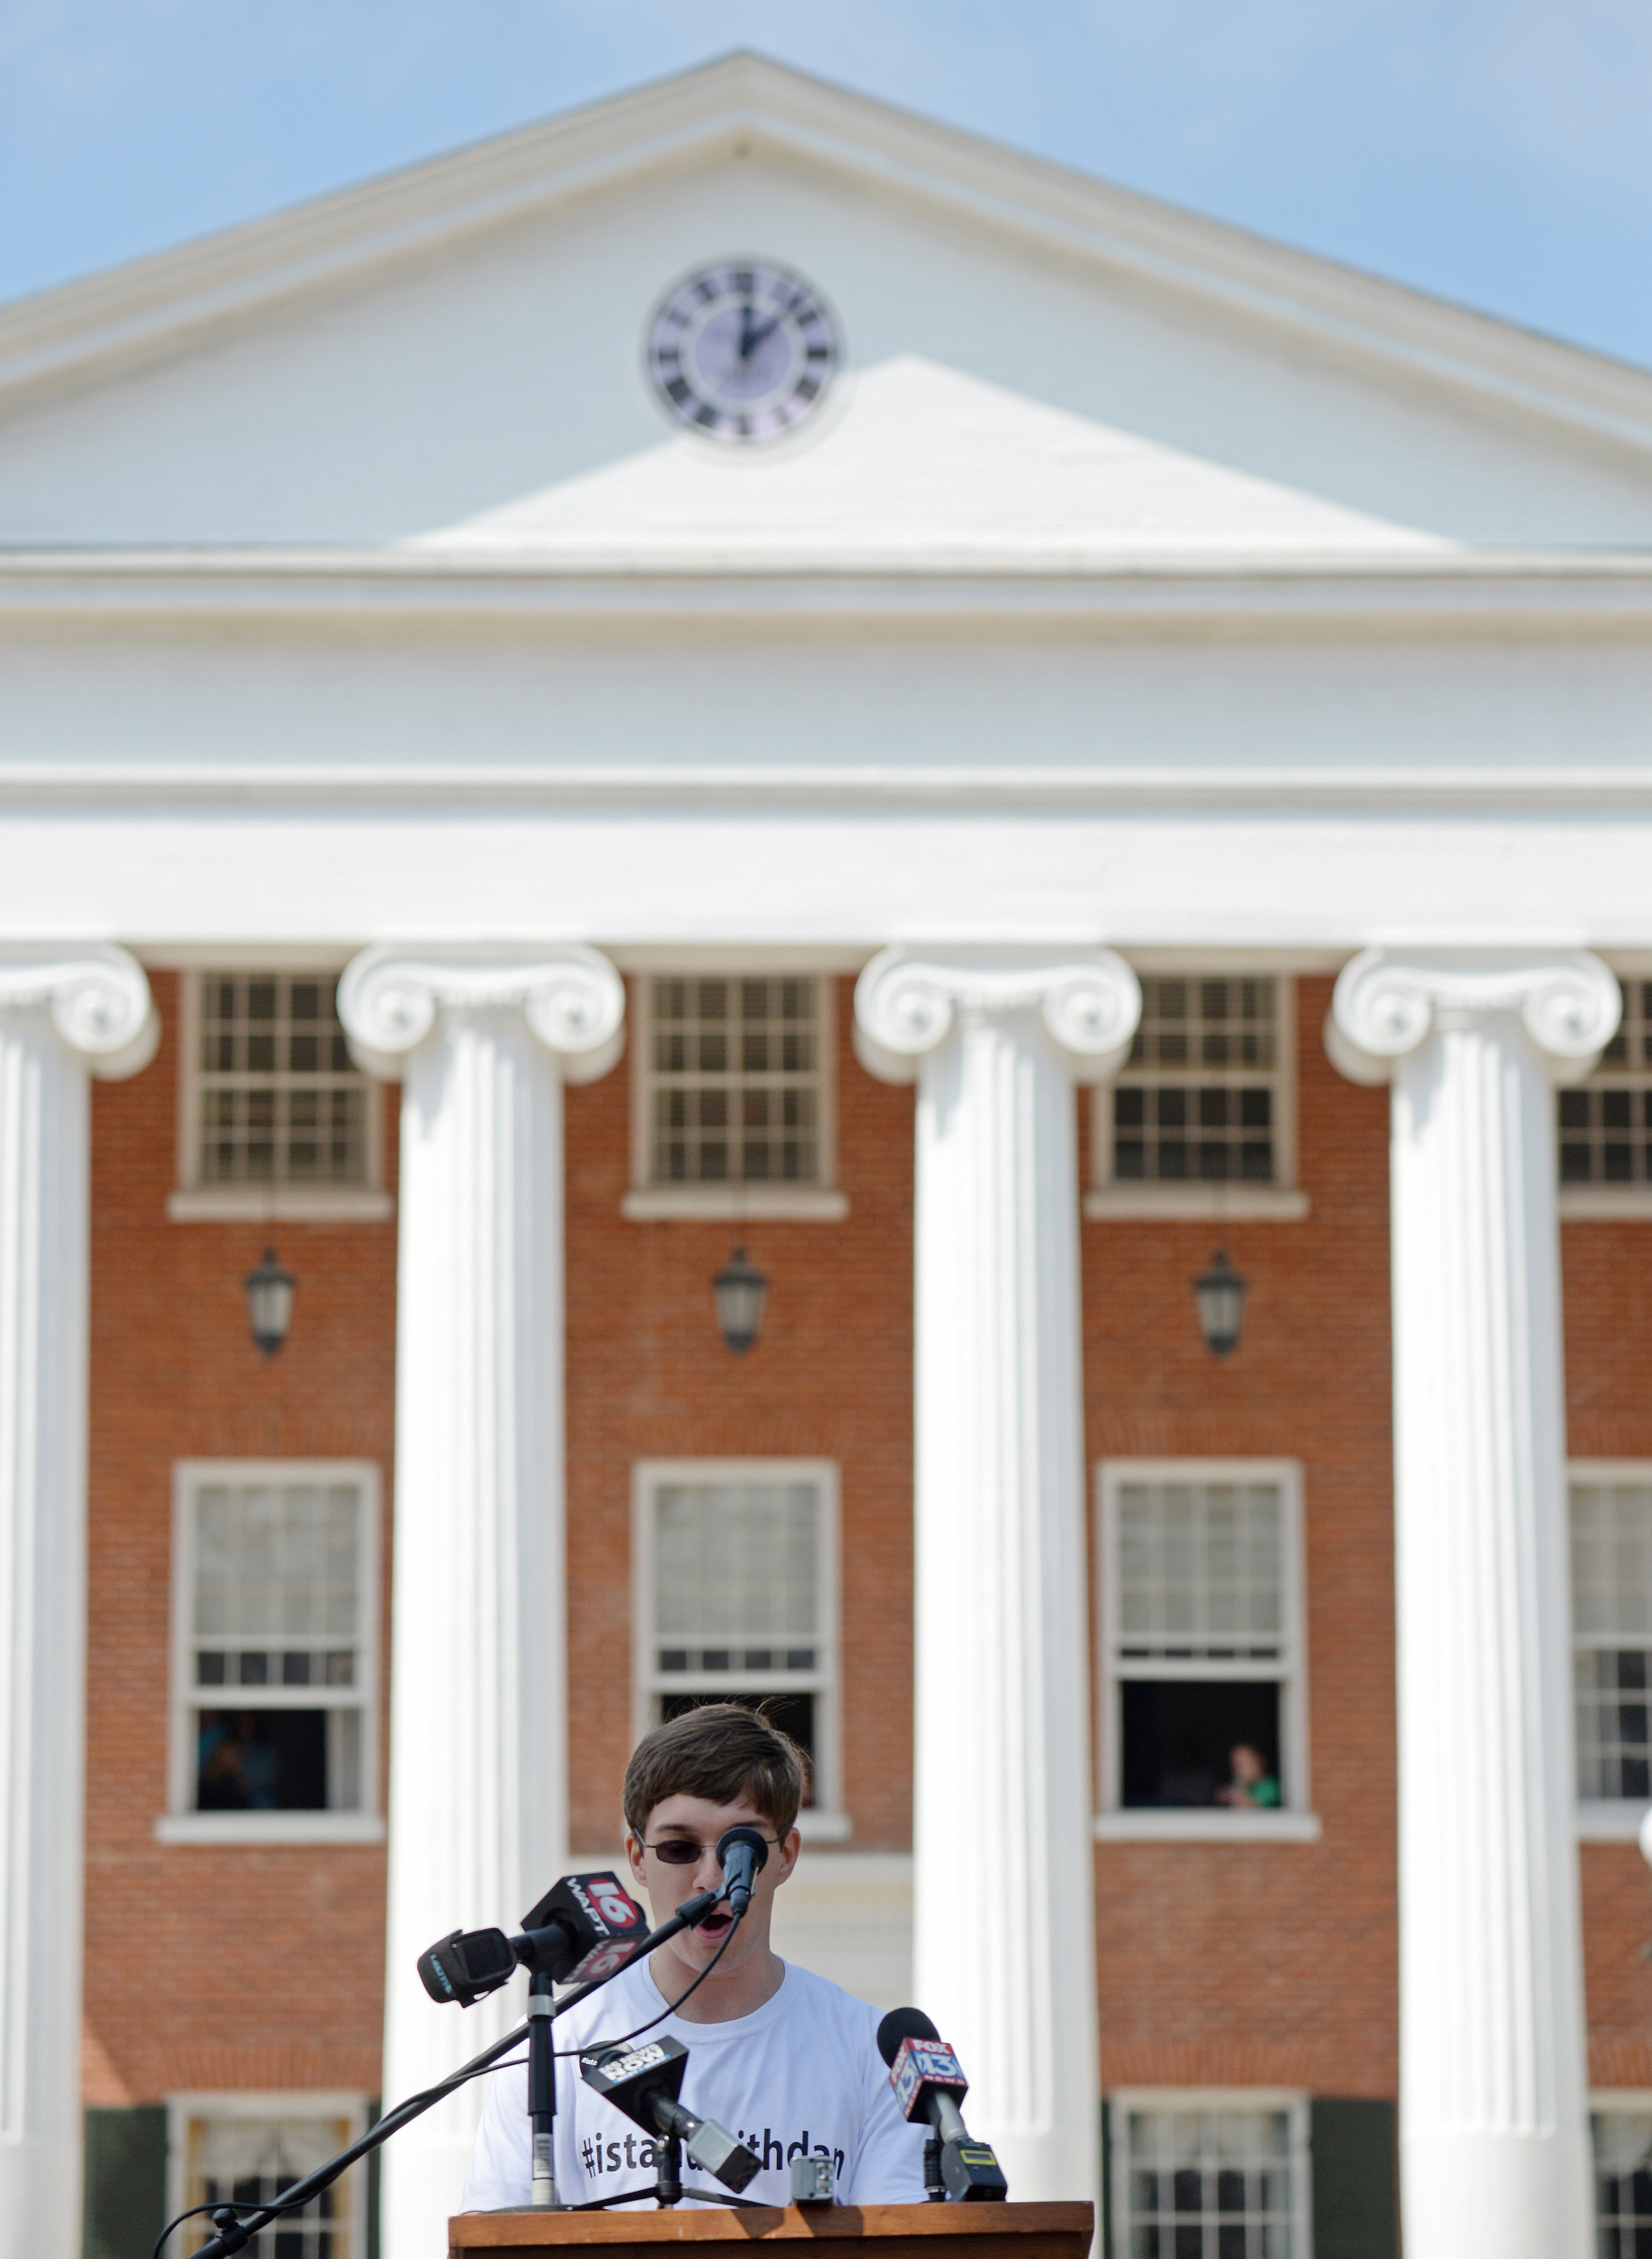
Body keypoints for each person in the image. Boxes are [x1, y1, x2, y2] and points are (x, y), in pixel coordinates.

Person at [460, 1704, 929, 2211]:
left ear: (787, 1855)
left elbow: (901, 2237)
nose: (711, 1879)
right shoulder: (553, 2045)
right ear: (637, 1858)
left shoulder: (871, 2050)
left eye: (741, 1850)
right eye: (679, 1849)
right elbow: (496, 2231)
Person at [1214, 1742, 1281, 1809]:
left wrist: (1240, 1786)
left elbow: (1250, 1808)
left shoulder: (1270, 1786)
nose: (1242, 1770)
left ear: (1260, 1761)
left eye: (1247, 1764)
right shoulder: (1237, 1783)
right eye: (1238, 1766)